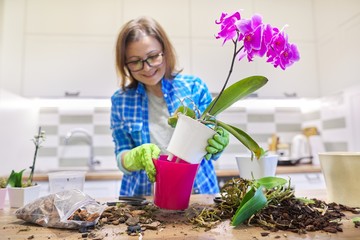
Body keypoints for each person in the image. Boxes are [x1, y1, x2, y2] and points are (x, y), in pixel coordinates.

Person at [110, 16, 229, 196]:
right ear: (125, 63)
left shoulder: (194, 88)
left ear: (165, 52)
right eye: (135, 61)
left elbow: (211, 148)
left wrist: (216, 144)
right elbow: (122, 155)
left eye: (153, 56)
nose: (147, 68)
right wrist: (135, 157)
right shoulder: (121, 100)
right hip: (143, 200)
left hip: (197, 195)